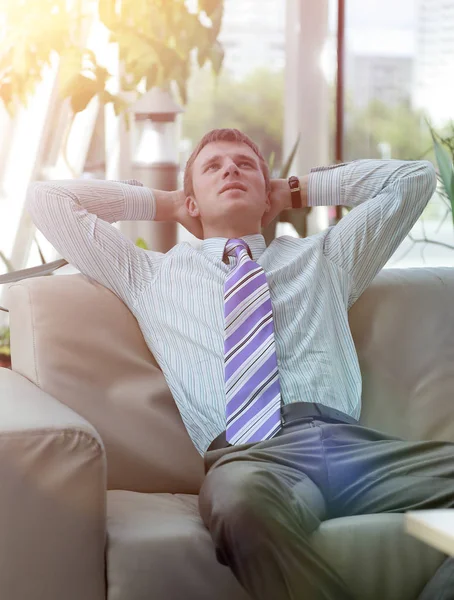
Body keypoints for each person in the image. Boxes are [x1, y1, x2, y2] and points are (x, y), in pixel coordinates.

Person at [27, 128, 453, 599]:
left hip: (348, 446)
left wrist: (294, 190)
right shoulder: (150, 277)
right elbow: (48, 200)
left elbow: (413, 180)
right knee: (237, 506)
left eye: (245, 165)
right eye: (213, 167)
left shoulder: (327, 258)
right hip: (249, 458)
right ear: (192, 203)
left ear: (266, 193)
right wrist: (168, 202)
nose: (231, 169)